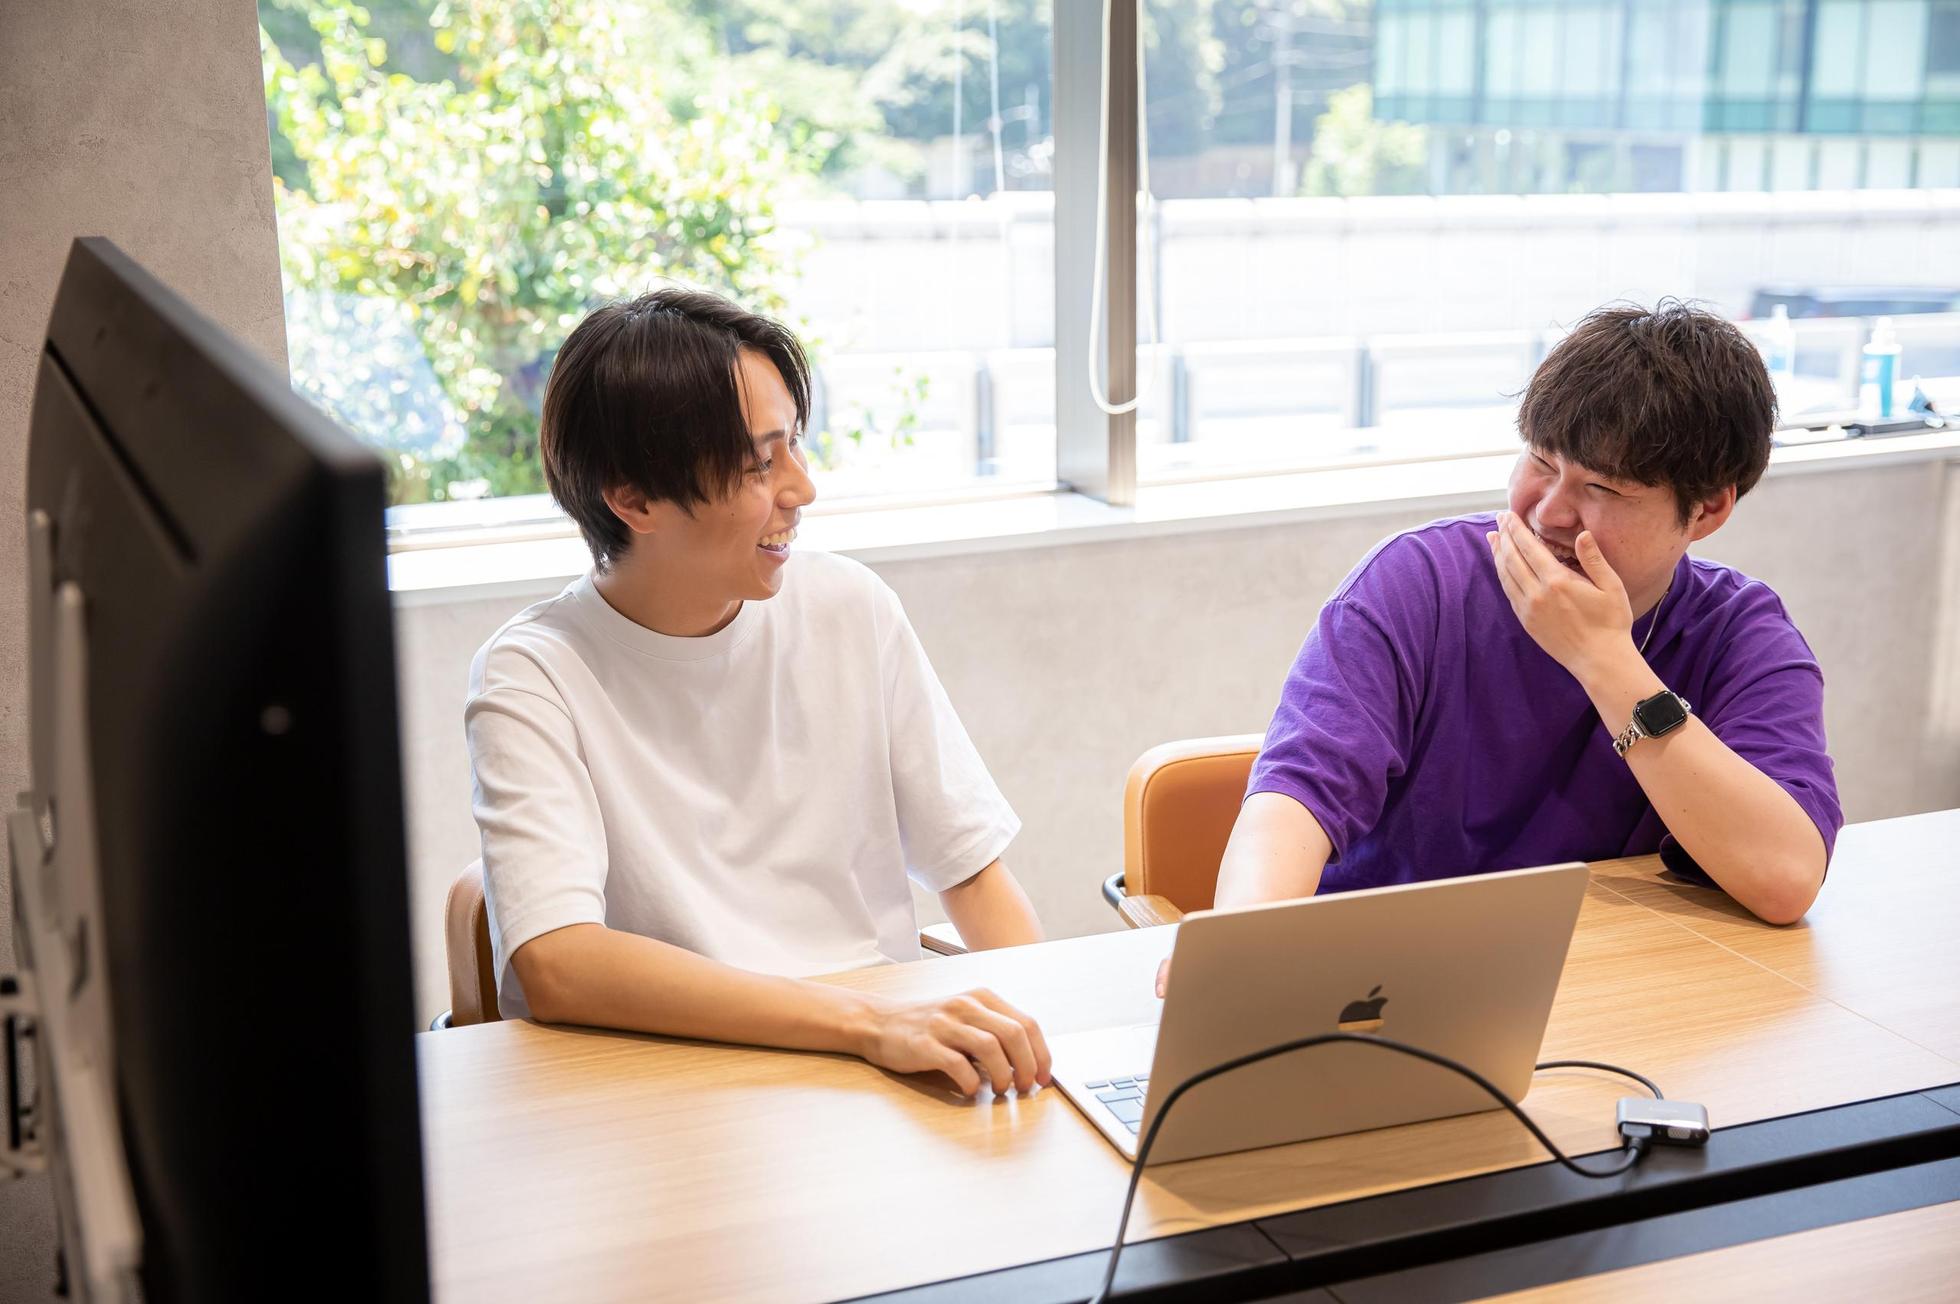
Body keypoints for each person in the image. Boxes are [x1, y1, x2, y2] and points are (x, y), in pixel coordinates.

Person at [466, 288, 1050, 1097]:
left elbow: (973, 873)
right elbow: (558, 962)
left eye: (795, 445)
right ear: (634, 499)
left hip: (881, 1071)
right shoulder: (533, 674)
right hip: (682, 1081)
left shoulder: (849, 607)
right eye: (758, 464)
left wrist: (1046, 1052)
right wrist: (867, 1025)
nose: (801, 489)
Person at [1163, 302, 1839, 993]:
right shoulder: (1416, 584)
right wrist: (1242, 946)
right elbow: (1295, 798)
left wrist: (1606, 661)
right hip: (1382, 985)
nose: (1548, 512)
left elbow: (1785, 878)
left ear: (1708, 509)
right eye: (1541, 462)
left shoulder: (1740, 631)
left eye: (1601, 488)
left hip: (1609, 991)